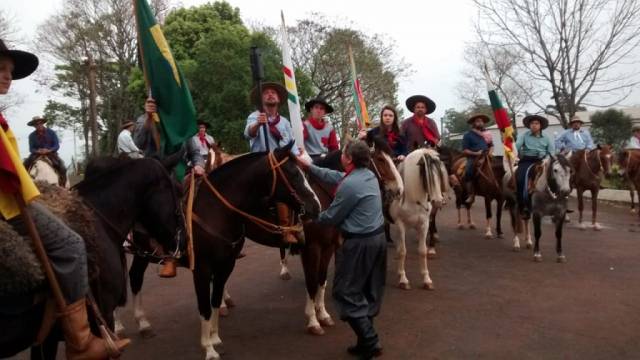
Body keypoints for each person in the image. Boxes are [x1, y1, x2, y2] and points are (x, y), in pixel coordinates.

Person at [0, 39, 129, 359]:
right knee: (71, 246)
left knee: (54, 166)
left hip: (35, 175)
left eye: (9, 72)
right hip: (11, 206)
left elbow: (46, 149)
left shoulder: (29, 128)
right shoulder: (26, 133)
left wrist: (48, 151)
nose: (7, 77)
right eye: (1, 69)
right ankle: (80, 340)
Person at [296, 141, 385, 359]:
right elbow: (335, 177)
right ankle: (364, 342)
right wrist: (309, 166)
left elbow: (331, 217)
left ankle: (371, 341)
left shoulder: (349, 186)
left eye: (343, 153)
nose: (341, 155)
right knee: (366, 291)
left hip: (359, 244)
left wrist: (307, 219)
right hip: (378, 240)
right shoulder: (367, 176)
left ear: (348, 159)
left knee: (344, 292)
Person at [133, 96, 203, 278]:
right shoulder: (144, 120)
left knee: (206, 197)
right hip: (155, 176)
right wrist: (149, 118)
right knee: (161, 207)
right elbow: (138, 144)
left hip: (182, 173)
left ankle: (218, 243)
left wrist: (199, 165)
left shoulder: (182, 125)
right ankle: (169, 255)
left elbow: (195, 152)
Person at [244, 81, 302, 245]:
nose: (270, 94)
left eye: (273, 93)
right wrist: (258, 124)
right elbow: (248, 133)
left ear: (278, 99)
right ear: (261, 99)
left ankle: (302, 223)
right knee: (279, 184)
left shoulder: (284, 122)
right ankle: (285, 230)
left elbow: (292, 144)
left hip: (282, 162)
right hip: (260, 162)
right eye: (266, 93)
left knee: (301, 182)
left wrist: (298, 160)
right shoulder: (254, 116)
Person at [514, 115, 555, 218]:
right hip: (527, 160)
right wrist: (511, 145)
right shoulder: (523, 135)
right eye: (532, 123)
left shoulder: (546, 137)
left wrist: (547, 158)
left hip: (543, 160)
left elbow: (551, 151)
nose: (534, 125)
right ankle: (523, 205)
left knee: (556, 177)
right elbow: (517, 146)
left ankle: (557, 202)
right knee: (520, 179)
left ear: (540, 125)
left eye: (536, 123)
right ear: (529, 125)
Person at [23, 115, 67, 186]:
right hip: (36, 154)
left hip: (51, 154)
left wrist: (49, 150)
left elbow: (56, 145)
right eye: (36, 124)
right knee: (24, 166)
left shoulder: (51, 132)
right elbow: (31, 149)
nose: (38, 125)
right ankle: (24, 185)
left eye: (40, 123)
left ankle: (63, 183)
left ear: (42, 123)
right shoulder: (31, 136)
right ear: (34, 126)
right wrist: (38, 151)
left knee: (62, 167)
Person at [461, 114, 493, 204]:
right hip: (474, 157)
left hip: (487, 155)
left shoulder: (487, 134)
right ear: (474, 123)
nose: (480, 122)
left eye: (482, 121)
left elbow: (491, 145)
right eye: (478, 121)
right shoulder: (468, 135)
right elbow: (465, 150)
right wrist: (476, 153)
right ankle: (471, 194)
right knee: (468, 171)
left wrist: (490, 152)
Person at [303, 97, 339, 161]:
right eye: (316, 107)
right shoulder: (305, 125)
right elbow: (299, 145)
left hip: (325, 159)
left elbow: (334, 148)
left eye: (321, 108)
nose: (318, 110)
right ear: (311, 109)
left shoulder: (330, 128)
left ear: (325, 112)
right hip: (309, 158)